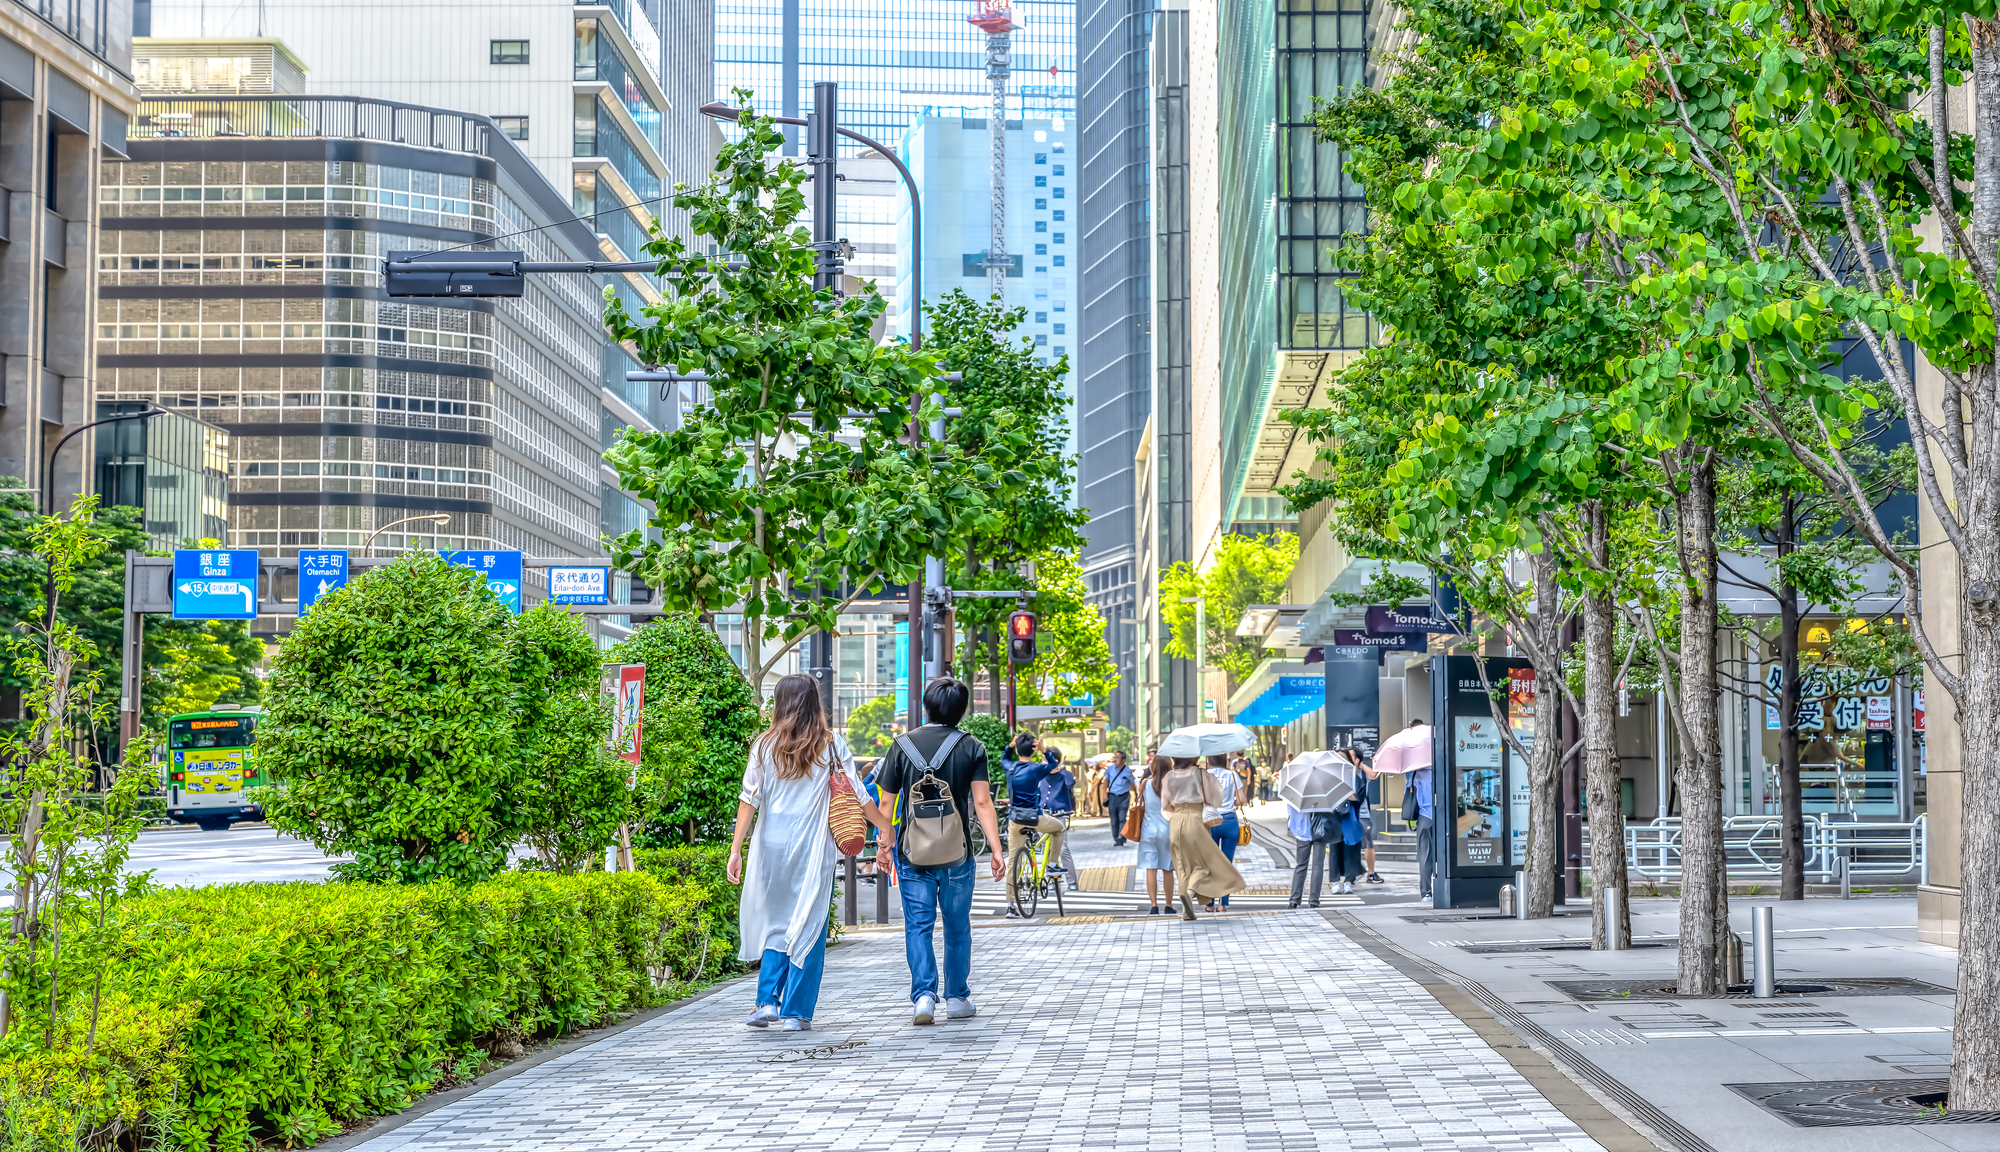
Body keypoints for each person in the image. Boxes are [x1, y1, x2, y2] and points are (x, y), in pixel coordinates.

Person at [727, 674, 893, 1032]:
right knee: (810, 922)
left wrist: (736, 849)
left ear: (780, 702)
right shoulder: (831, 744)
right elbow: (859, 797)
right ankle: (795, 1013)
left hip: (771, 847)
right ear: (815, 702)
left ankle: (765, 1001)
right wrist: (885, 828)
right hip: (812, 847)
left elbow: (748, 801)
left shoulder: (763, 745)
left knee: (777, 923)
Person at [873, 678, 1007, 1025]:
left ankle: (923, 998)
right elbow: (981, 802)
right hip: (957, 853)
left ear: (926, 705)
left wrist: (883, 845)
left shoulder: (901, 745)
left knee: (918, 925)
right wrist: (996, 849)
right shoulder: (971, 747)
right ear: (962, 710)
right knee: (957, 925)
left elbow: (886, 802)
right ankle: (958, 998)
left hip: (911, 850)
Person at [1160, 756, 1245, 919]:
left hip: (1176, 820)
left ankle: (1187, 911)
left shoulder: (1169, 776)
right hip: (1195, 819)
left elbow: (1165, 805)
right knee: (1203, 865)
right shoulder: (1200, 774)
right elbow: (1214, 800)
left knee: (1182, 866)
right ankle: (1190, 893)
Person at [1003, 734, 1067, 917]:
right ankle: (1053, 864)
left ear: (1017, 750)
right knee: (1059, 828)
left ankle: (1010, 905)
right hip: (1035, 818)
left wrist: (1010, 744)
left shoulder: (1011, 767)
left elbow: (1004, 758)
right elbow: (1054, 765)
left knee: (1013, 863)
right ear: (1033, 750)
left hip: (1015, 819)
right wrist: (1044, 750)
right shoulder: (1036, 769)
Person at [1375, 719, 1435, 905]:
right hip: (1445, 816)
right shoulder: (1442, 768)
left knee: (1425, 856)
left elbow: (1408, 794)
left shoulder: (1415, 773)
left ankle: (1426, 892)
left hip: (1425, 818)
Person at [1201, 753, 1245, 911]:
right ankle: (1223, 904)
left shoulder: (1205, 776)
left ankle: (1209, 904)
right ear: (1224, 760)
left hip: (1210, 822)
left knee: (1210, 864)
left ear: (1208, 759)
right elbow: (1242, 799)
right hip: (1230, 822)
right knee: (1227, 864)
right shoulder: (1233, 775)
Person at [1135, 754, 1175, 913]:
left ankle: (1153, 905)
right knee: (1168, 869)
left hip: (1148, 830)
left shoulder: (1145, 783)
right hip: (1168, 829)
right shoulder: (1172, 785)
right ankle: (1169, 905)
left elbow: (1140, 802)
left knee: (1150, 868)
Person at [1040, 748, 1079, 890]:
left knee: (1062, 849)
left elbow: (1070, 782)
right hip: (1043, 813)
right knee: (1046, 848)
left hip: (1059, 815)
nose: (1043, 761)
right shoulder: (1041, 774)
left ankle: (1072, 882)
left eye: (1045, 758)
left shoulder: (1064, 775)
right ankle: (1050, 880)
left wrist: (1060, 768)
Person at [1286, 799, 1337, 908]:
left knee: (1300, 865)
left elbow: (1291, 813)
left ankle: (1294, 899)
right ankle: (1314, 900)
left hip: (1302, 832)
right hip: (1320, 830)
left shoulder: (1296, 794)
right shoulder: (1321, 793)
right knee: (1317, 866)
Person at [1104, 750, 1135, 846]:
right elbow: (1106, 781)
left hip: (1124, 796)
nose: (1115, 760)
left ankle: (1122, 836)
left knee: (1122, 817)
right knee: (1114, 818)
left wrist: (1136, 795)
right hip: (1112, 796)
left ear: (1123, 760)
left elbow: (1132, 783)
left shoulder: (1127, 770)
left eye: (1117, 758)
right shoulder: (1110, 769)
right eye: (1114, 757)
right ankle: (1116, 837)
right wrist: (1105, 794)